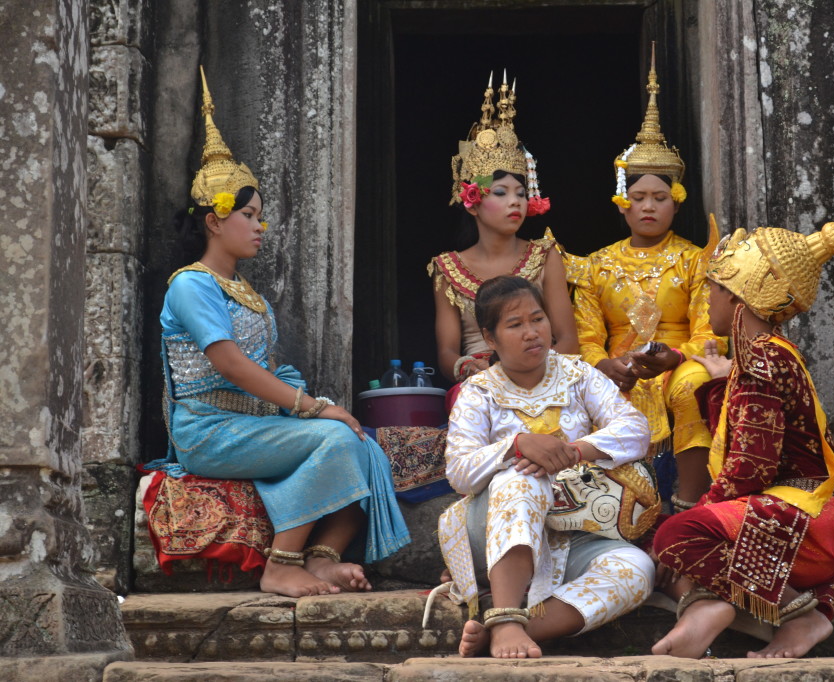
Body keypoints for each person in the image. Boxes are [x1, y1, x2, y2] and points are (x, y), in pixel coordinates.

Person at [148, 68, 410, 598]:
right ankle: (280, 563)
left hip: (254, 424)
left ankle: (321, 556)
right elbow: (230, 365)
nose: (260, 226)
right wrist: (312, 408)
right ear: (214, 221)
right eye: (249, 214)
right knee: (336, 436)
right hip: (209, 430)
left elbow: (266, 370)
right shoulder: (192, 286)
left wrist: (314, 402)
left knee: (363, 445)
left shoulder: (248, 294)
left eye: (261, 215)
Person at [650, 203, 834, 659]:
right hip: (815, 529)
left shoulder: (760, 362)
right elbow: (747, 443)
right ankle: (719, 610)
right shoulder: (773, 354)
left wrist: (695, 516)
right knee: (687, 550)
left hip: (801, 525)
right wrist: (719, 384)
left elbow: (751, 466)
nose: (705, 300)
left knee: (675, 538)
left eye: (712, 289)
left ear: (737, 298)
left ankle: (796, 613)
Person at [436, 275, 654, 659]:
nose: (532, 332)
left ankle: (512, 629)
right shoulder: (479, 391)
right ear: (490, 338)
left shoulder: (578, 373)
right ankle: (503, 617)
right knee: (521, 477)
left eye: (537, 319)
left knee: (636, 570)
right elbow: (459, 471)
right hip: (493, 532)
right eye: (515, 324)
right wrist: (515, 446)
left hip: (574, 533)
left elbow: (635, 429)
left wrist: (575, 451)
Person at [568, 46, 726, 511]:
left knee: (690, 385)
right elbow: (587, 337)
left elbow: (709, 333)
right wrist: (604, 367)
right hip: (619, 369)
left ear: (676, 203)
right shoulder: (597, 264)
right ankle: (605, 510)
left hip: (678, 363)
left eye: (660, 196)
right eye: (639, 197)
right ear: (624, 204)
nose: (649, 206)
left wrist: (674, 356)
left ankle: (688, 503)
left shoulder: (697, 260)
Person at [429, 73, 578, 404]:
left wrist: (528, 371)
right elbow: (447, 351)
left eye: (521, 193)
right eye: (501, 192)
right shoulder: (446, 268)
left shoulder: (546, 255)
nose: (516, 202)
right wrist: (470, 367)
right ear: (472, 203)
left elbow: (568, 339)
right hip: (480, 384)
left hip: (544, 377)